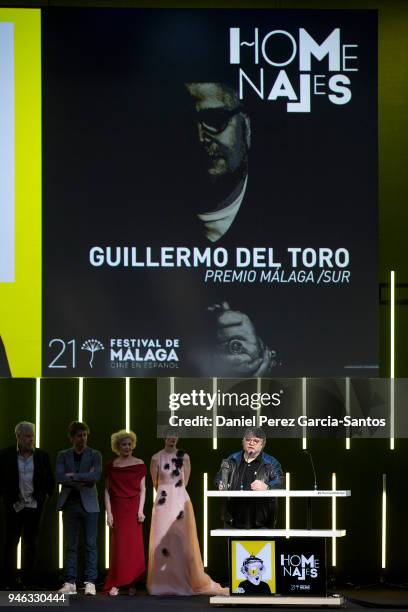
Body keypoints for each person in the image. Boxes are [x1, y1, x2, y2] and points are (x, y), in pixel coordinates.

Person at [147, 433, 228, 596]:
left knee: (182, 542)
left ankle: (183, 580)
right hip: (163, 502)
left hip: (180, 501)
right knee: (161, 541)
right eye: (169, 435)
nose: (172, 438)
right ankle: (162, 583)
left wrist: (174, 493)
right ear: (164, 437)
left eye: (175, 435)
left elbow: (186, 481)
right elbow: (155, 482)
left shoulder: (184, 457)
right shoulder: (156, 458)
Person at [0, 421, 54, 589]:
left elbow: (49, 482)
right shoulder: (5, 455)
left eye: (32, 436)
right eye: (27, 436)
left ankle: (28, 581)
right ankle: (8, 581)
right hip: (14, 506)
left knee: (31, 544)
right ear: (18, 437)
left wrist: (43, 498)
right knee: (11, 543)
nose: (31, 439)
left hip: (33, 506)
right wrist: (6, 500)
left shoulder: (42, 456)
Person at [56, 421, 101, 596]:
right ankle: (70, 582)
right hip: (70, 504)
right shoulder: (62, 455)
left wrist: (73, 476)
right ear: (72, 437)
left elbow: (95, 477)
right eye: (79, 435)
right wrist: (84, 477)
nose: (82, 438)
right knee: (70, 545)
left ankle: (90, 582)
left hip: (90, 505)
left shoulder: (95, 454)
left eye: (85, 435)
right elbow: (60, 477)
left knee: (91, 544)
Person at [103, 430, 146, 596]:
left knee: (133, 547)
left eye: (129, 444)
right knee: (119, 548)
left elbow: (143, 489)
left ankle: (131, 583)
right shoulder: (111, 465)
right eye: (123, 444)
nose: (127, 447)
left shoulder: (140, 463)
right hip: (118, 509)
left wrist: (141, 509)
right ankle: (117, 582)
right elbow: (106, 491)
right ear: (117, 447)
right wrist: (109, 513)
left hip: (134, 509)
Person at [214, 427, 283, 528]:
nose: (251, 443)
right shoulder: (231, 460)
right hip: (233, 521)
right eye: (248, 440)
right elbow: (218, 478)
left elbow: (280, 482)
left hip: (262, 522)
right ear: (243, 442)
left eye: (255, 441)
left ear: (262, 444)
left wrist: (267, 487)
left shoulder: (271, 463)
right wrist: (220, 483)